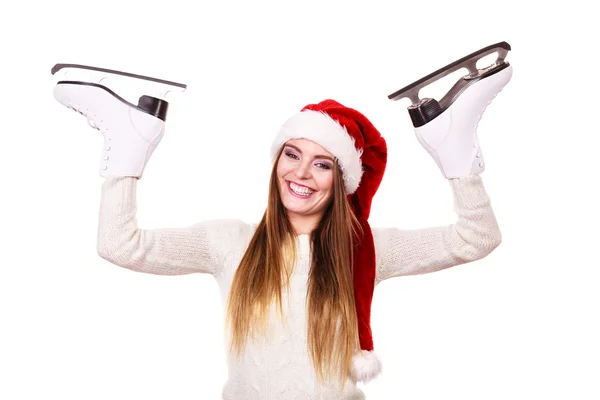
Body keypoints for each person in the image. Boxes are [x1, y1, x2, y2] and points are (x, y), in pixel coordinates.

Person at [53, 64, 511, 399]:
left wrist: (458, 162)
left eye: (322, 164)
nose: (302, 174)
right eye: (292, 155)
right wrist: (127, 161)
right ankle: (134, 127)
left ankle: (448, 128)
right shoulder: (228, 242)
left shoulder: (370, 250)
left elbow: (477, 238)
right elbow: (119, 245)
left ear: (342, 179)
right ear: (276, 162)